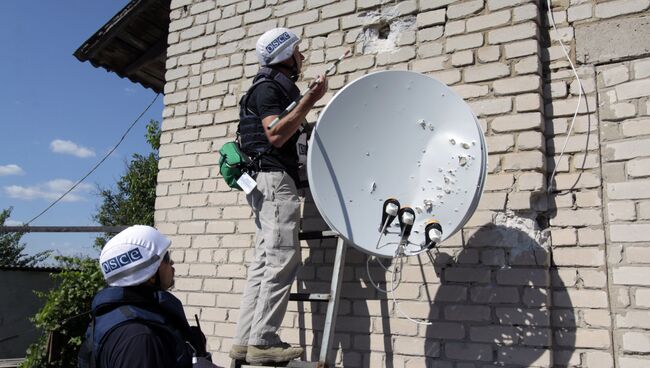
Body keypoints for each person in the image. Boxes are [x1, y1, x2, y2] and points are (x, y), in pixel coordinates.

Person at [230, 27, 328, 365]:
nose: (302, 56)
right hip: (274, 182)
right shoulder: (271, 87)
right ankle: (264, 340)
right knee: (283, 258)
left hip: (261, 181)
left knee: (263, 262)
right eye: (298, 51)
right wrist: (310, 100)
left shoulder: (262, 87)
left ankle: (245, 341)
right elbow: (275, 133)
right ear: (284, 55)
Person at [78, 225, 219, 368]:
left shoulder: (117, 315)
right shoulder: (139, 337)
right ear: (151, 274)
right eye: (166, 257)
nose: (172, 262)